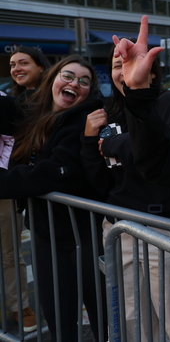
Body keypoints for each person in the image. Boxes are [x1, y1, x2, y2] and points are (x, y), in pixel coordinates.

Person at [80, 17, 170, 342]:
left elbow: (163, 164)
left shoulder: (168, 103)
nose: (122, 67)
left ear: (151, 69)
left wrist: (112, 144)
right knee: (131, 326)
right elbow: (101, 181)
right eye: (116, 64)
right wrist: (88, 140)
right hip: (121, 229)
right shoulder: (108, 114)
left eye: (131, 60)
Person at [0, 55, 106, 342]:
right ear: (53, 80)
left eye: (84, 81)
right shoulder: (33, 111)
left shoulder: (86, 119)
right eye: (68, 76)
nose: (74, 83)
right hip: (44, 233)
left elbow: (52, 172)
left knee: (103, 320)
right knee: (58, 318)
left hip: (84, 236)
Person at [0, 46, 49, 333]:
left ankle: (20, 307)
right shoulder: (15, 98)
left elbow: (15, 144)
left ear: (41, 66)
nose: (16, 68)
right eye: (11, 64)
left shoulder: (19, 103)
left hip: (8, 187)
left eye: (23, 62)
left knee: (10, 253)